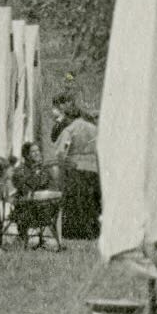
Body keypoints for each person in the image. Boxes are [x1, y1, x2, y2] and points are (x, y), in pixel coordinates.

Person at [55, 94, 103, 243]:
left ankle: (76, 232)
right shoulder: (94, 129)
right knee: (91, 202)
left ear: (69, 117)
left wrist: (63, 163)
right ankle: (93, 231)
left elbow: (61, 152)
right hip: (93, 168)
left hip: (76, 168)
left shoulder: (70, 130)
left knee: (77, 202)